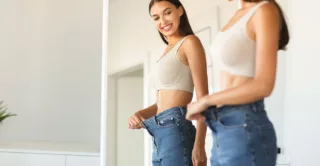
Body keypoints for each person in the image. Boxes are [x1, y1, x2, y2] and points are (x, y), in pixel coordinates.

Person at [186, 0, 289, 166]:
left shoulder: (264, 11)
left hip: (245, 123)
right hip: (222, 126)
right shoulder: (236, 15)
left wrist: (206, 100)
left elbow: (264, 85)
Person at [128, 0, 209, 166]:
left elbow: (203, 99)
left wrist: (200, 144)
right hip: (158, 134)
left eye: (167, 13)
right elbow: (161, 103)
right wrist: (141, 114)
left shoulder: (190, 43)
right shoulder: (166, 51)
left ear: (179, 11)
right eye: (156, 18)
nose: (162, 21)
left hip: (176, 130)